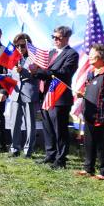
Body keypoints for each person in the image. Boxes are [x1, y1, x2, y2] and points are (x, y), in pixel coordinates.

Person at [29, 25, 79, 169]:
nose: (55, 40)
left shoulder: (71, 54)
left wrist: (42, 71)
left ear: (66, 38)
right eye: (53, 37)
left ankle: (60, 159)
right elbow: (45, 73)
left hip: (60, 97)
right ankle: (50, 155)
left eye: (58, 37)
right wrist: (35, 72)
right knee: (48, 128)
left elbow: (64, 73)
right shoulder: (50, 53)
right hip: (46, 95)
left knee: (60, 129)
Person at [76, 43, 104, 180]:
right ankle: (88, 169)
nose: (89, 56)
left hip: (102, 116)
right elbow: (91, 91)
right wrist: (82, 94)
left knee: (102, 145)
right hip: (89, 115)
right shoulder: (91, 73)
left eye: (92, 53)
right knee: (89, 143)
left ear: (101, 56)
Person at [8, 33, 40, 158]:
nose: (20, 48)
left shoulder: (34, 57)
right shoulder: (13, 57)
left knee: (30, 124)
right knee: (14, 122)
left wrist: (24, 71)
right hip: (15, 93)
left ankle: (28, 150)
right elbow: (10, 75)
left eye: (22, 45)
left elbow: (37, 73)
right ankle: (14, 148)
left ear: (28, 45)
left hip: (29, 93)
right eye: (17, 46)